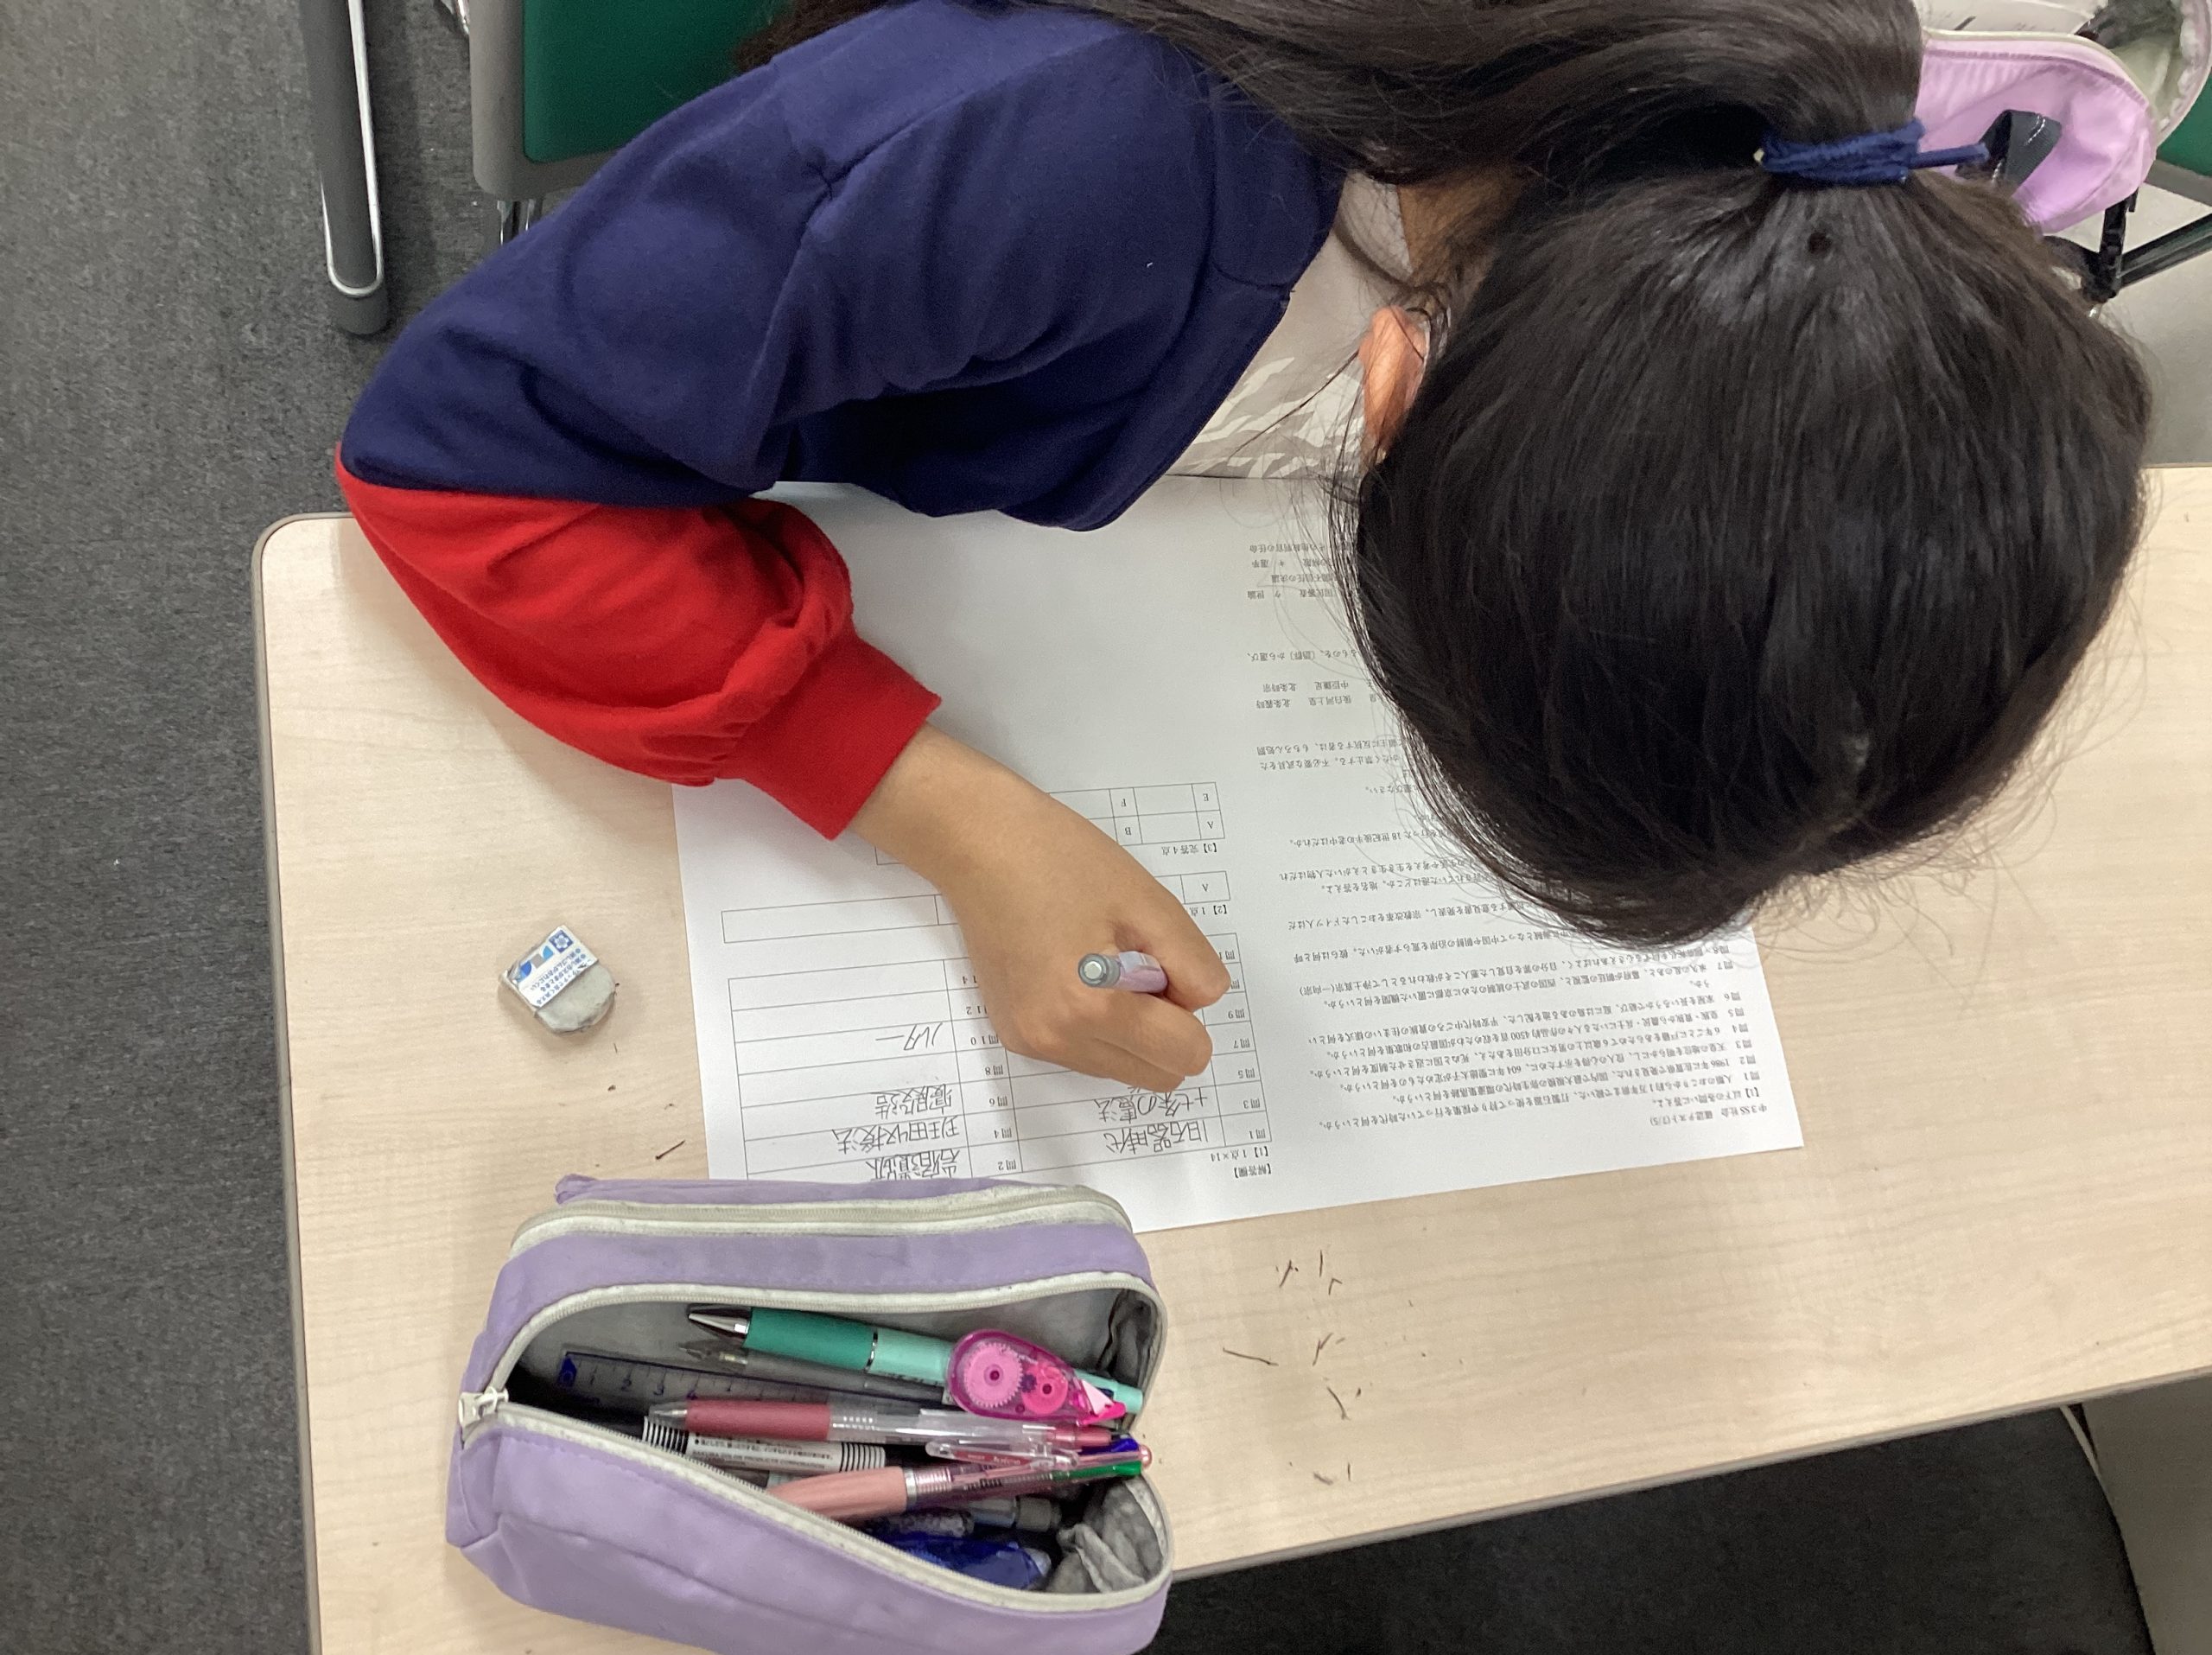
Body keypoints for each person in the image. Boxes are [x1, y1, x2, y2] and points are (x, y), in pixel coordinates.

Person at [337, 0, 2151, 1093]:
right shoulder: (1035, 157)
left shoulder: (1819, 185)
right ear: (1387, 400)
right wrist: (934, 804)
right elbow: (460, 459)